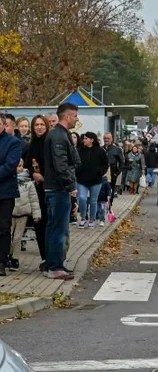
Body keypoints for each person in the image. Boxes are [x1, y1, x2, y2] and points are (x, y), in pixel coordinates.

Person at [43, 103, 80, 280]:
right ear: (67, 116)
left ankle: (51, 264)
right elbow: (61, 165)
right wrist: (70, 186)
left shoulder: (59, 134)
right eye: (75, 116)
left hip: (55, 187)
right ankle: (55, 267)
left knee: (53, 228)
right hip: (58, 189)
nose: (77, 119)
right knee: (59, 230)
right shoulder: (59, 136)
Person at [26, 115, 49, 268]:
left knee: (51, 224)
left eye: (42, 124)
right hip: (36, 189)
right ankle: (44, 258)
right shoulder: (31, 144)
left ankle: (53, 257)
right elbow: (28, 163)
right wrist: (32, 173)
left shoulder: (50, 142)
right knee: (39, 223)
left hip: (50, 186)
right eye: (36, 125)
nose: (39, 127)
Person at [0, 114, 21, 277]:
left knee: (3, 227)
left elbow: (10, 165)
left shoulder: (13, 142)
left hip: (5, 192)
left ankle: (1, 261)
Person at [11, 160, 40, 270]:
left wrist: (36, 214)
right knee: (7, 236)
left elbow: (34, 200)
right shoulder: (8, 181)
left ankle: (15, 258)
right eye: (18, 166)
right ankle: (7, 255)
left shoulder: (28, 183)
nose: (21, 168)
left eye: (22, 166)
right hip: (10, 212)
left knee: (18, 238)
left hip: (23, 213)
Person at [75, 132, 109, 228]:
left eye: (86, 138)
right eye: (84, 138)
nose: (84, 140)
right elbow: (75, 163)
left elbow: (105, 163)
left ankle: (92, 219)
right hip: (82, 180)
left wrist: (100, 172)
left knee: (93, 200)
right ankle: (83, 217)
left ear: (92, 140)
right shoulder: (79, 150)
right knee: (82, 198)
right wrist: (77, 172)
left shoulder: (100, 151)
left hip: (96, 180)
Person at [103, 131, 126, 203]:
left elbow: (122, 162)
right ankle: (102, 206)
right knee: (102, 190)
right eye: (105, 138)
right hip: (101, 172)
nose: (106, 140)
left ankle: (109, 206)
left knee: (110, 190)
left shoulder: (117, 149)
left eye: (108, 138)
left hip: (112, 172)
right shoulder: (100, 149)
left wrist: (117, 173)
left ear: (111, 139)